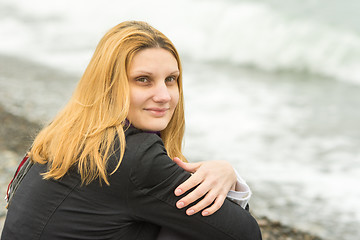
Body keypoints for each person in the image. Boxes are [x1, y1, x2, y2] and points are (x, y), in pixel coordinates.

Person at [1, 21, 262, 240]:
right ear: (108, 85)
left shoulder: (68, 135)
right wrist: (230, 178)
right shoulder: (133, 155)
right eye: (143, 80)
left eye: (171, 79)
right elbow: (244, 233)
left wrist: (223, 172)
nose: (164, 96)